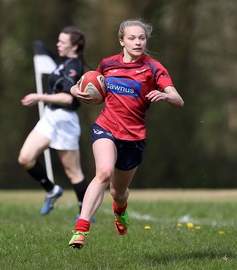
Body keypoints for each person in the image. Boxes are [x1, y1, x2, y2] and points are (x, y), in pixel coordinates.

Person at [68, 18, 184, 248]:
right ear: (122, 41)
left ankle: (120, 209)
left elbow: (179, 100)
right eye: (132, 38)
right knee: (103, 172)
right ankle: (81, 229)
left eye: (142, 38)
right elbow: (86, 84)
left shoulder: (153, 68)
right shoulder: (108, 64)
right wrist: (75, 90)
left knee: (118, 191)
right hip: (106, 127)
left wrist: (165, 95)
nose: (138, 42)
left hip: (134, 137)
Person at [18, 26, 89, 218]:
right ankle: (51, 190)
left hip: (65, 120)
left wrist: (38, 96)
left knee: (73, 172)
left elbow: (67, 98)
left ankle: (85, 213)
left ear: (74, 47)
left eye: (62, 42)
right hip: (50, 117)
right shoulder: (63, 63)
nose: (57, 44)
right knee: (25, 158)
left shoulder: (75, 66)